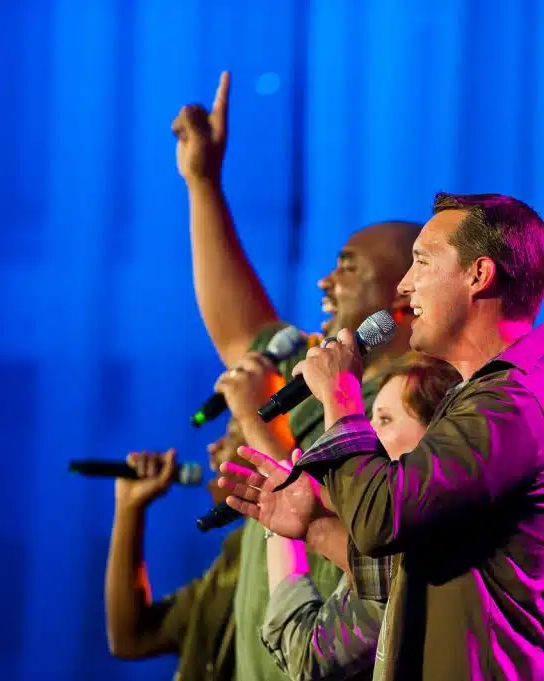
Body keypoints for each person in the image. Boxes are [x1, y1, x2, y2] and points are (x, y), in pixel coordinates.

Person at [220, 193, 544, 681]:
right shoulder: (487, 398)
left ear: (479, 275)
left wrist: (343, 398)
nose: (405, 285)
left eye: (422, 263)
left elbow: (380, 519)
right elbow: (402, 576)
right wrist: (312, 525)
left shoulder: (517, 401)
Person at [171, 70, 418, 681]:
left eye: (348, 268)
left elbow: (370, 527)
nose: (324, 284)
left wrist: (259, 423)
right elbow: (240, 331)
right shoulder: (319, 375)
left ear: (404, 299)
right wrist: (202, 182)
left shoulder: (409, 408)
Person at [253, 354, 461, 681]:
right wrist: (307, 525)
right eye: (368, 417)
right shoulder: (385, 542)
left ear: (431, 444)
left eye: (384, 419)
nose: (367, 432)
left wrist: (289, 534)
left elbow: (309, 656)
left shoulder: (428, 544)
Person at [104, 418, 249, 681]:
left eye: (232, 434)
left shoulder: (299, 552)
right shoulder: (235, 556)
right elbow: (131, 638)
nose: (213, 447)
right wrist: (129, 508)